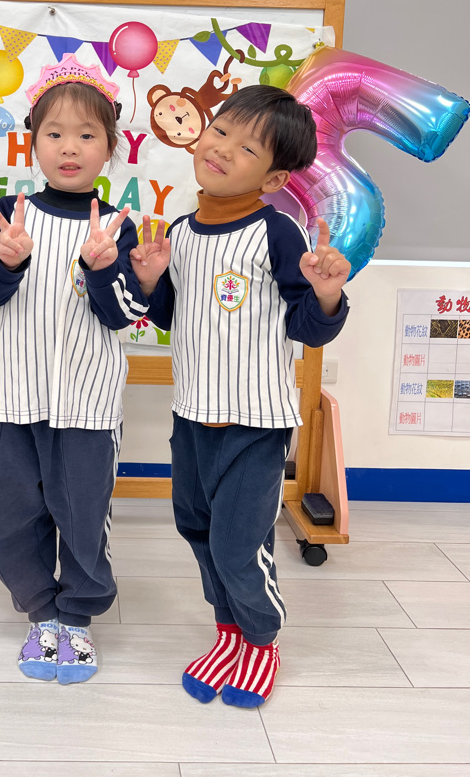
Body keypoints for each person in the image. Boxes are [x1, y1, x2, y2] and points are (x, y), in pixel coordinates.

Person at [131, 84, 350, 708]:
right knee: (197, 527)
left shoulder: (278, 232)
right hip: (192, 415)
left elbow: (307, 326)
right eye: (221, 131)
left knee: (239, 541)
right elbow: (171, 315)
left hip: (255, 423)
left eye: (248, 148)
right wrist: (149, 282)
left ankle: (260, 638)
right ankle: (227, 631)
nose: (223, 149)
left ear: (274, 177)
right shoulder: (181, 230)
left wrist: (326, 294)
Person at [0, 55, 148, 684]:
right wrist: (6, 261)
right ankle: (41, 612)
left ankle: (78, 619)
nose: (70, 148)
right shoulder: (9, 216)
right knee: (7, 523)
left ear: (110, 146)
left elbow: (125, 314)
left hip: (89, 407)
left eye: (87, 135)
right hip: (12, 400)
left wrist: (104, 267)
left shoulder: (117, 226)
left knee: (83, 518)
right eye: (55, 133)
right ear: (33, 141)